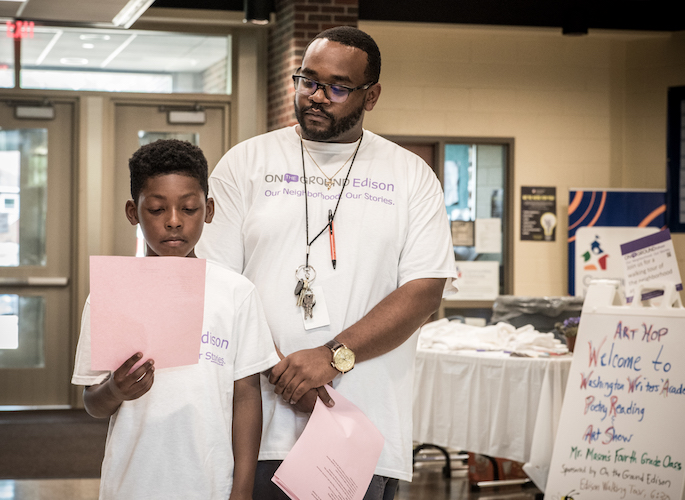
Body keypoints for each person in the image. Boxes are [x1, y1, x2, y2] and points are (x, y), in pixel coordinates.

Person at [197, 26, 457, 500]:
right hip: (251, 427)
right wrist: (284, 372)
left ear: (371, 95)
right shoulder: (244, 164)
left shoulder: (410, 176)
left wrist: (333, 357)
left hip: (357, 434)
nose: (317, 96)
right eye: (307, 81)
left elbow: (424, 292)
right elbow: (215, 285)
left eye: (337, 87)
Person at [72, 139, 280, 500]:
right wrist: (116, 390)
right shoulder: (113, 293)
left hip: (210, 482)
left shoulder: (236, 293)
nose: (173, 222)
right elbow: (93, 402)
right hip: (132, 482)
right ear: (133, 212)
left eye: (189, 209)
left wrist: (243, 488)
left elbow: (246, 396)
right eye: (156, 209)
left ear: (209, 210)